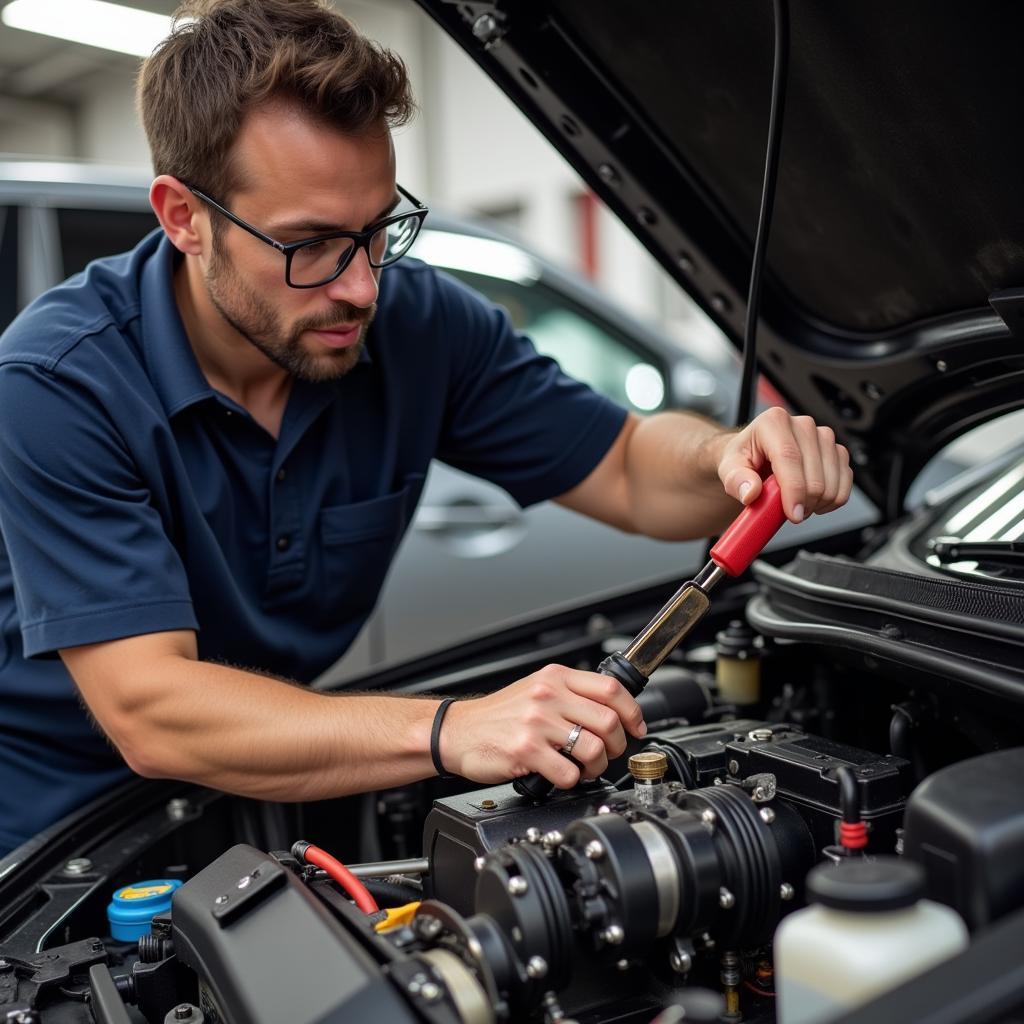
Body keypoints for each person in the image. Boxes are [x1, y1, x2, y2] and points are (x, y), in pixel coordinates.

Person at [0, 0, 852, 856]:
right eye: (312, 245)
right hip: (57, 838)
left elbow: (628, 467)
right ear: (183, 216)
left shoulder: (419, 326)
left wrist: (727, 457)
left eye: (378, 232)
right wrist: (453, 730)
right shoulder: (56, 382)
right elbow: (153, 712)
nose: (362, 288)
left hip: (277, 789)